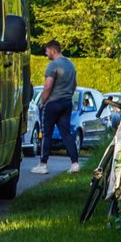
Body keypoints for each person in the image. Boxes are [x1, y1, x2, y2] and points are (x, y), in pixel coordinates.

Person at [30, 39, 79, 174]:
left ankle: (43, 165)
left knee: (46, 134)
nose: (46, 54)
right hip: (66, 103)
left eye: (47, 51)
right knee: (66, 133)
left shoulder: (53, 65)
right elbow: (74, 84)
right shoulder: (71, 65)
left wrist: (42, 102)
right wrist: (68, 95)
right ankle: (75, 164)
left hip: (52, 103)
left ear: (53, 51)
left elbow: (48, 86)